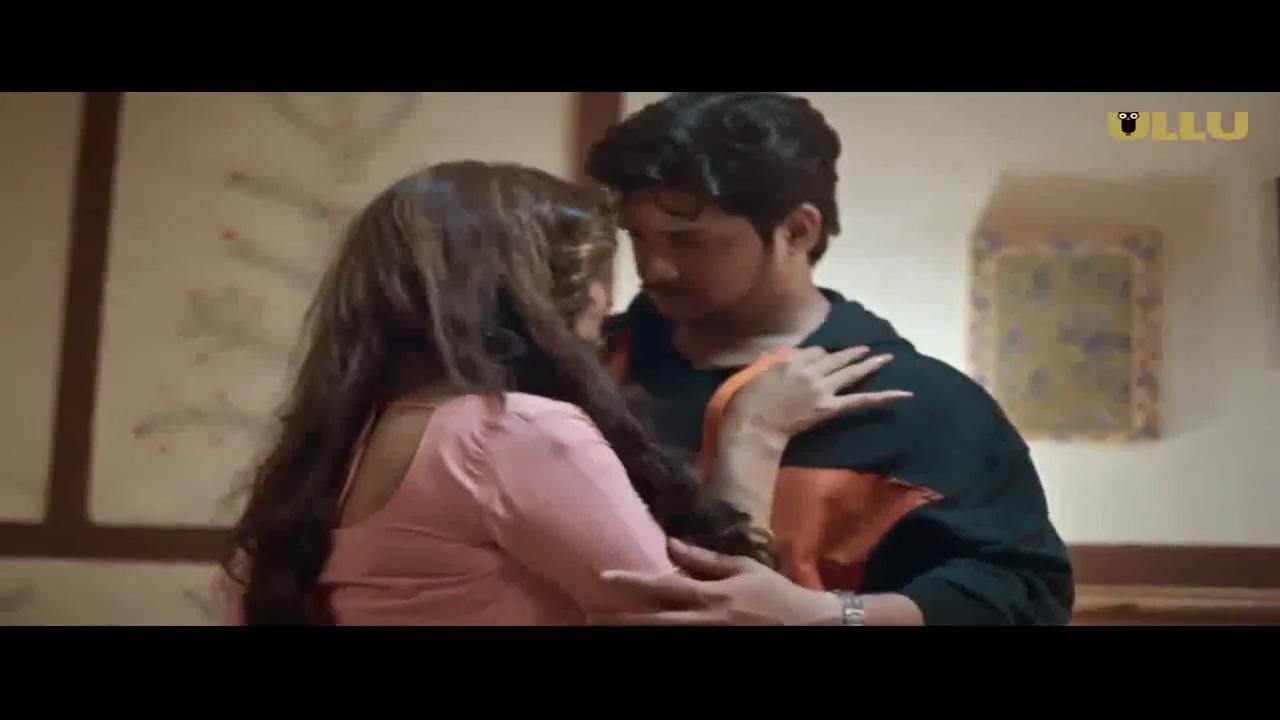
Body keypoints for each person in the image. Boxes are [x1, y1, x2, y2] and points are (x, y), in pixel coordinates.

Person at [216, 159, 906, 625]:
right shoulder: (506, 432)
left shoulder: (333, 447)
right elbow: (706, 615)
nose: (614, 301)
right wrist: (752, 433)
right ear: (541, 296)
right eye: (605, 274)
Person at [584, 92, 1076, 626]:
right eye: (638, 237)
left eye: (688, 242)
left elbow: (1024, 594)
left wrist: (830, 615)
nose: (653, 268)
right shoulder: (579, 369)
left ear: (798, 231)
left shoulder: (922, 404)